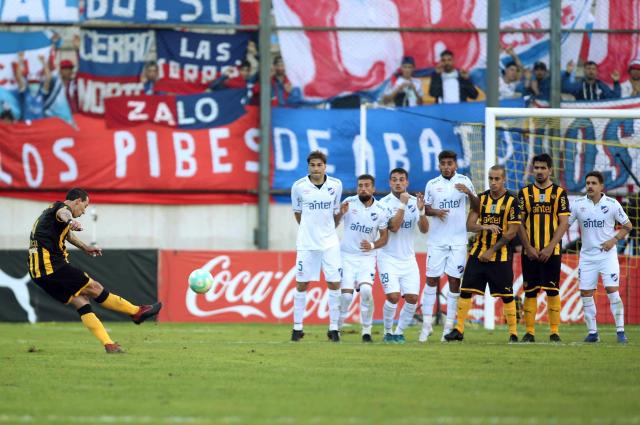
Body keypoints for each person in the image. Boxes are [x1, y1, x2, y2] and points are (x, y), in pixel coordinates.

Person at [27, 188, 162, 353]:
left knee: (81, 301)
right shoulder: (62, 209)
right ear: (77, 201)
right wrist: (70, 221)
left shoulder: (50, 212)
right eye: (85, 206)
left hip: (38, 273)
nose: (84, 212)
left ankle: (109, 344)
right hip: (51, 266)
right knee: (94, 288)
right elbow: (64, 213)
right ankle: (136, 312)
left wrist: (85, 247)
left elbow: (67, 235)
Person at [445, 165, 520, 343]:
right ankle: (459, 330)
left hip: (500, 254)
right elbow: (469, 225)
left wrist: (491, 251)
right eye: (490, 179)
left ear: (504, 180)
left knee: (507, 294)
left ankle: (513, 334)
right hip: (478, 253)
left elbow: (511, 232)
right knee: (466, 291)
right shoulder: (482, 198)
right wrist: (484, 226)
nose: (493, 182)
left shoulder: (512, 200)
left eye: (497, 179)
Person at [569, 171, 632, 343]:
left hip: (607, 257)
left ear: (601, 186)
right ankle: (593, 333)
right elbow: (564, 224)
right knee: (585, 294)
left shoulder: (612, 204)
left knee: (612, 291)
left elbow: (628, 225)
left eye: (593, 183)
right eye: (587, 182)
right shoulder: (578, 204)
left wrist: (614, 239)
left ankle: (620, 332)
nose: (589, 186)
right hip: (587, 258)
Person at [421, 150, 478, 342]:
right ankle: (426, 325)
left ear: (456, 165)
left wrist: (469, 193)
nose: (446, 166)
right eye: (443, 163)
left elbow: (478, 206)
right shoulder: (432, 184)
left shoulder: (464, 182)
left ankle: (448, 328)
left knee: (455, 282)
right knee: (431, 280)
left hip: (458, 241)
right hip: (437, 241)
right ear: (439, 165)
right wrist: (435, 211)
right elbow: (426, 208)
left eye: (450, 163)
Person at [290, 151, 344, 342]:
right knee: (302, 283)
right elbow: (298, 214)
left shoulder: (336, 185)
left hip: (330, 243)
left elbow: (334, 213)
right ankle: (297, 328)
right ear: (308, 167)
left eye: (319, 165)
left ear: (325, 166)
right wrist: (309, 230)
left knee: (334, 283)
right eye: (312, 165)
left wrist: (324, 229)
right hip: (306, 243)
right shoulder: (298, 187)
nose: (316, 168)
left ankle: (334, 328)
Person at [517, 153, 570, 343]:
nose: (539, 171)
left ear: (550, 170)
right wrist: (528, 247)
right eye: (536, 168)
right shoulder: (524, 193)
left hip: (552, 251)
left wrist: (549, 247)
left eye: (542, 168)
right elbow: (519, 223)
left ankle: (554, 332)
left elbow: (564, 223)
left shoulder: (559, 193)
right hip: (529, 252)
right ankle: (529, 332)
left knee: (552, 290)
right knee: (530, 291)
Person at [377, 168, 428, 343]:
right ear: (390, 183)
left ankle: (399, 332)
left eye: (401, 179)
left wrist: (421, 212)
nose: (398, 182)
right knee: (393, 296)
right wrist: (403, 205)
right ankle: (387, 331)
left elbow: (424, 229)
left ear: (407, 182)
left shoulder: (415, 202)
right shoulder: (382, 204)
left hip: (408, 259)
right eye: (394, 180)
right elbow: (393, 227)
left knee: (413, 299)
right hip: (387, 257)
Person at [337, 174, 389, 342]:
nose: (363, 188)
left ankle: (366, 331)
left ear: (373, 189)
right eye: (360, 185)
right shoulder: (349, 203)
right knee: (345, 296)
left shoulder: (381, 210)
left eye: (367, 185)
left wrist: (373, 245)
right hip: (346, 256)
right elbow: (332, 224)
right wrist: (339, 214)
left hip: (366, 257)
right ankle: (336, 329)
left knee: (366, 291)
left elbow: (384, 238)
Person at [14, 52, 51, 121]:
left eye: (36, 82)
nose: (34, 84)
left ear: (39, 83)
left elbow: (48, 78)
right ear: (28, 83)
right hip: (27, 124)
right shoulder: (25, 92)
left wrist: (43, 62)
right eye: (31, 82)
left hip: (40, 124)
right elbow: (18, 77)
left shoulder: (41, 92)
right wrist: (20, 60)